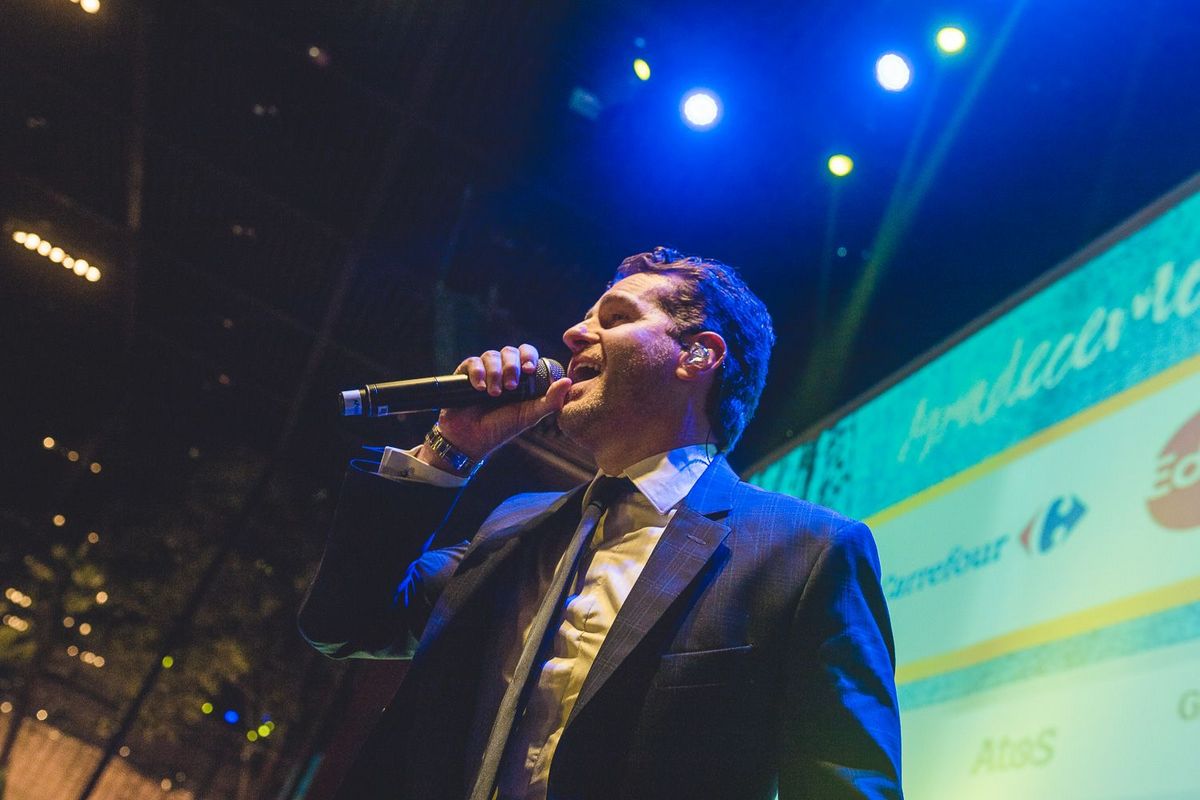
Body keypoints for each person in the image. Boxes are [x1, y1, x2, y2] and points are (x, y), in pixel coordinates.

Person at [298, 247, 903, 799]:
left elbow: (847, 787)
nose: (573, 333)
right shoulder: (515, 527)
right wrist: (451, 447)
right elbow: (345, 624)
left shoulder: (806, 552)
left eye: (615, 317)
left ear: (699, 354)